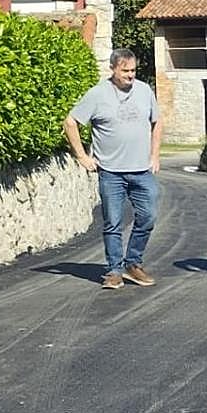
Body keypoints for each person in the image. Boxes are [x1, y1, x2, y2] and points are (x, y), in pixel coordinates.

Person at [63, 48, 164, 290]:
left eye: (133, 70)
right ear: (113, 69)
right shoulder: (97, 94)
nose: (130, 75)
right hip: (110, 171)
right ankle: (114, 271)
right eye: (125, 71)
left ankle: (133, 263)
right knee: (113, 223)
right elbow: (70, 122)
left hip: (141, 170)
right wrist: (82, 157)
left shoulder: (144, 90)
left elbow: (157, 121)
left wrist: (155, 154)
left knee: (148, 216)